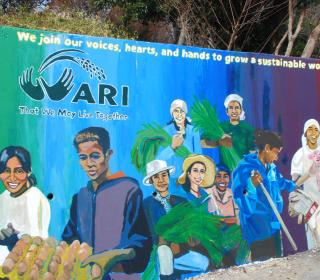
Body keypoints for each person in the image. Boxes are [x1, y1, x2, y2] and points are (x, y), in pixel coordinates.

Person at [62, 127, 152, 279]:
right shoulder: (80, 197)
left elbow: (141, 245)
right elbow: (69, 237)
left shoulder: (129, 190)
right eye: (83, 157)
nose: (89, 163)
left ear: (108, 155)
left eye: (95, 156)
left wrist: (111, 259)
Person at [232, 130, 296, 261]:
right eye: (276, 152)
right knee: (264, 269)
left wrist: (294, 186)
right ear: (267, 148)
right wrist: (251, 185)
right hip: (257, 231)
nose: (277, 157)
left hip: (274, 225)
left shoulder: (271, 168)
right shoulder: (245, 168)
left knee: (279, 266)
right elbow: (239, 194)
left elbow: (280, 182)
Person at [143, 159, 209, 279]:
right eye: (156, 177)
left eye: (164, 175)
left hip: (181, 251)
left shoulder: (180, 201)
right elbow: (153, 234)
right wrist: (168, 242)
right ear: (152, 181)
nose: (161, 180)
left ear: (168, 176)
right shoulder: (148, 204)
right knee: (164, 251)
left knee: (204, 262)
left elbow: (192, 226)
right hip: (159, 253)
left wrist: (187, 240)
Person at [0, 146, 51, 263]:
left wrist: (13, 239)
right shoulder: (3, 198)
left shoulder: (35, 198)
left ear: (28, 172)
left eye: (19, 171)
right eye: (6, 171)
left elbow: (38, 242)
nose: (12, 178)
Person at [291, 119, 320, 249]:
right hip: (311, 206)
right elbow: (294, 184)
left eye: (316, 129)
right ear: (305, 133)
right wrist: (309, 173)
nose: (313, 132)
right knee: (314, 246)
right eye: (310, 129)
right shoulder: (299, 155)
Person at [158, 99, 202, 185]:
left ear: (185, 113)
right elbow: (160, 158)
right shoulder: (165, 131)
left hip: (190, 176)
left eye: (182, 111)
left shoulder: (193, 131)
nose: (179, 114)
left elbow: (198, 155)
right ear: (172, 113)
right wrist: (172, 147)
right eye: (176, 111)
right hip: (172, 177)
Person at [202, 93, 255, 161]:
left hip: (243, 167)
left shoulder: (248, 129)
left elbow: (252, 151)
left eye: (236, 108)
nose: (233, 111)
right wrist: (219, 142)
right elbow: (202, 142)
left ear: (241, 111)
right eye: (230, 108)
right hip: (223, 169)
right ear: (227, 111)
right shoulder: (221, 127)